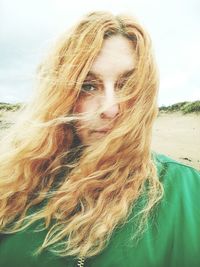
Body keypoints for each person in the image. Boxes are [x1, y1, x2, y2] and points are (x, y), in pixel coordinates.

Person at [0, 11, 199, 267]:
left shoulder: (188, 192)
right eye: (89, 85)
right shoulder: (16, 186)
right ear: (61, 94)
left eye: (126, 85)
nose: (110, 108)